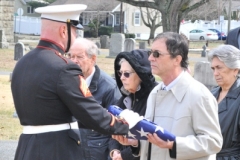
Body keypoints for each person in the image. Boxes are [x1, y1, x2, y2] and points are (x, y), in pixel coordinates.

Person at [11, 4, 129, 160]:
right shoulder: (64, 68)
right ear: (64, 30)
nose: (75, 37)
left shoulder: (22, 63)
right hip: (57, 150)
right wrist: (126, 126)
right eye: (74, 31)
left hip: (26, 148)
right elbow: (90, 112)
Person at [113, 32, 223, 160]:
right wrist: (135, 143)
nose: (150, 59)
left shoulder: (199, 95)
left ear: (177, 59)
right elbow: (154, 137)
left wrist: (174, 144)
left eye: (157, 54)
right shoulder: (155, 92)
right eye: (150, 53)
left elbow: (213, 142)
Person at [68, 38, 121, 160]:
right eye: (71, 56)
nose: (74, 61)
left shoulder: (109, 88)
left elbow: (115, 129)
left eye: (80, 57)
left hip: (96, 153)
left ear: (93, 59)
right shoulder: (66, 81)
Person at [109, 49, 157, 160]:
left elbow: (150, 137)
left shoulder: (154, 98)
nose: (122, 78)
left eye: (127, 74)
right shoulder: (124, 99)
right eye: (120, 73)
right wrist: (114, 151)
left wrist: (124, 156)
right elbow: (113, 130)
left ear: (141, 74)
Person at [208, 45, 240, 159]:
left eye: (219, 67)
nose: (215, 73)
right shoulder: (212, 93)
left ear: (235, 69)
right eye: (213, 68)